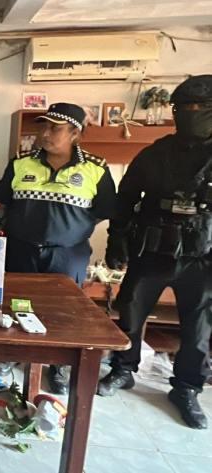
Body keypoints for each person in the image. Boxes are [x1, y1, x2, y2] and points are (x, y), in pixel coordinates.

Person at [98, 75, 212, 430]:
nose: (191, 113)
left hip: (202, 254)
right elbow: (126, 198)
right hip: (153, 247)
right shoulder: (156, 153)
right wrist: (116, 240)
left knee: (198, 326)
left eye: (200, 107)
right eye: (184, 107)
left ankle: (187, 388)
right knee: (131, 311)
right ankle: (123, 368)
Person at [0, 103, 116, 394]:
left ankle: (58, 367)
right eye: (43, 126)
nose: (45, 133)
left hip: (67, 253)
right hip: (21, 249)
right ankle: (10, 356)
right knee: (16, 305)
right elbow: (2, 202)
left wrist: (70, 228)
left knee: (63, 312)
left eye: (55, 128)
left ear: (75, 133)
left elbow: (105, 211)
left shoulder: (95, 169)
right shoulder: (21, 163)